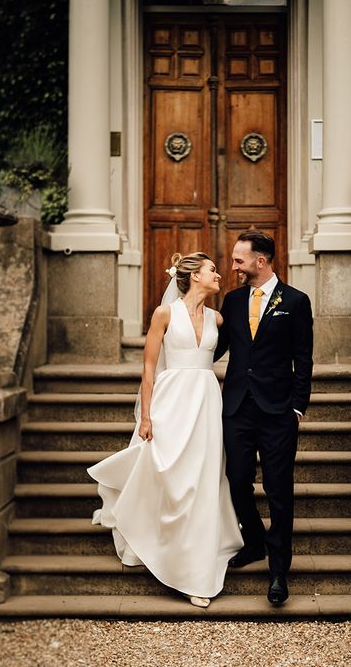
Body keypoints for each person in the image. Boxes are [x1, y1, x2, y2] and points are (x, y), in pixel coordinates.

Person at [87, 252, 242, 608]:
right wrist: (146, 416)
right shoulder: (164, 314)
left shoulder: (218, 318)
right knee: (170, 474)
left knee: (202, 480)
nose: (219, 275)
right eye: (213, 271)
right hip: (171, 401)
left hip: (206, 402)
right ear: (193, 277)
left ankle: (195, 568)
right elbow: (148, 367)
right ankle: (158, 542)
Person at [215, 230, 313, 606]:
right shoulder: (233, 301)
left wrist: (297, 405)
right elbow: (217, 346)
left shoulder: (296, 301)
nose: (234, 267)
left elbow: (303, 356)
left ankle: (278, 572)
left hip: (278, 412)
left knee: (279, 491)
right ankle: (253, 541)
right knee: (237, 481)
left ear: (261, 261)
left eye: (240, 260)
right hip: (237, 407)